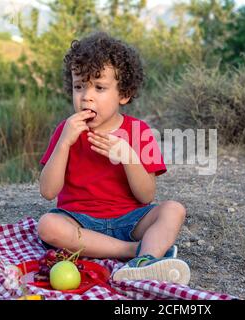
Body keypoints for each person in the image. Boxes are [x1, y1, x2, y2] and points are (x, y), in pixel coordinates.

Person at [37, 31, 190, 285]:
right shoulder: (66, 131)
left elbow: (146, 196)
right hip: (79, 222)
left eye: (99, 87)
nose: (86, 96)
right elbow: (47, 191)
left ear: (124, 94)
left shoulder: (139, 131)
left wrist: (129, 157)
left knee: (174, 210)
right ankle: (138, 254)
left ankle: (144, 258)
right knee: (48, 226)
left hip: (131, 219)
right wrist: (64, 143)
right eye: (79, 86)